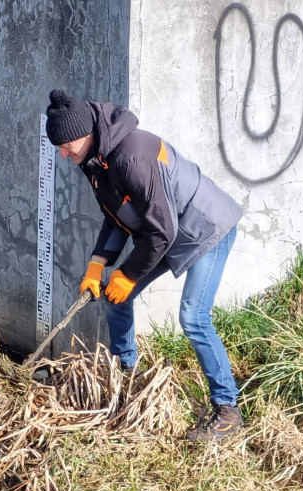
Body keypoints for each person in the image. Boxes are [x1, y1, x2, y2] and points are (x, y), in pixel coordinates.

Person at [44, 88, 245, 443]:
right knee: (114, 297)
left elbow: (161, 230)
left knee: (194, 318)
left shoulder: (132, 156)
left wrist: (129, 274)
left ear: (84, 133)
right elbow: (116, 217)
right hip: (165, 231)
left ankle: (227, 410)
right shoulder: (94, 160)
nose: (62, 154)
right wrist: (97, 265)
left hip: (204, 227)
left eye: (65, 146)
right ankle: (128, 374)